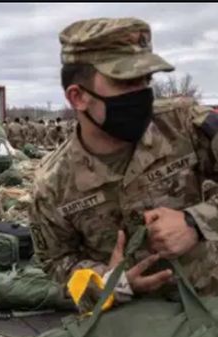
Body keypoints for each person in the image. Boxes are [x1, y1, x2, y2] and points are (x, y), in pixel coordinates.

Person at [29, 17, 218, 300]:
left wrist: (196, 223)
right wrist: (109, 282)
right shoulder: (52, 185)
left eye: (146, 80)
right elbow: (56, 263)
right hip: (130, 320)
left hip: (209, 301)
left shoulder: (185, 125)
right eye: (127, 82)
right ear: (78, 97)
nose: (142, 93)